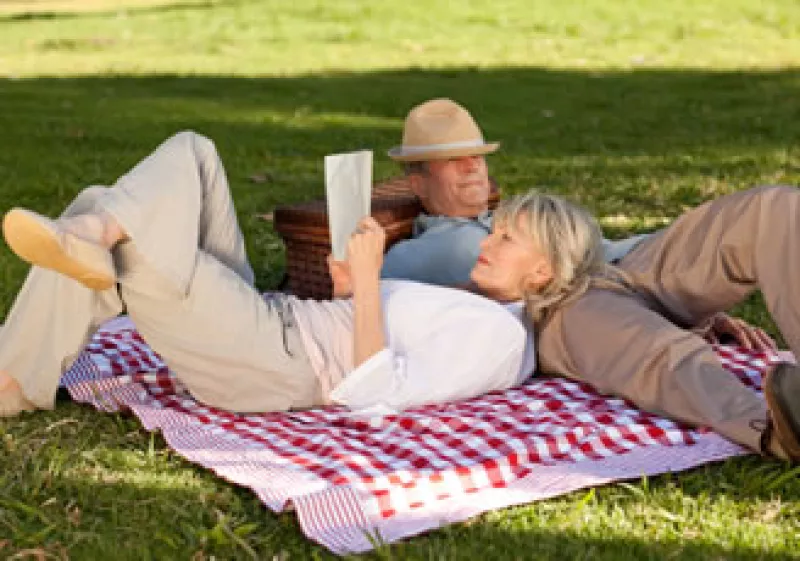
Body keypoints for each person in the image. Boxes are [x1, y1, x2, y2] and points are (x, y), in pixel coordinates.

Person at [0, 131, 536, 418]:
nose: (487, 238)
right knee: (194, 154)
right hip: (270, 322)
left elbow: (373, 391)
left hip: (272, 362)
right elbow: (371, 331)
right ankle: (91, 238)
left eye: (507, 239)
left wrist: (369, 283)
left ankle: (12, 378)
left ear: (543, 273)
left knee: (128, 234)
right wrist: (350, 289)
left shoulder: (500, 338)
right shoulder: (477, 304)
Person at [472, 188, 800, 462]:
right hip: (564, 303)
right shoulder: (569, 319)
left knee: (771, 211)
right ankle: (777, 435)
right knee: (668, 358)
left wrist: (704, 316)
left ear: (543, 268)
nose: (484, 245)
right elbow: (661, 360)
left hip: (615, 266)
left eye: (505, 238)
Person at [380, 98, 648, 285]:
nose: (471, 166)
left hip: (628, 265)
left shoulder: (506, 221)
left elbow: (602, 250)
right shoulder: (432, 251)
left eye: (477, 155)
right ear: (418, 184)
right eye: (452, 159)